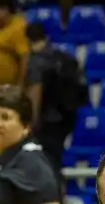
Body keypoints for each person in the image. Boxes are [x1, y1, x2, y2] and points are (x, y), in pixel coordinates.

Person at [23, 23, 84, 176]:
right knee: (55, 162)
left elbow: (35, 91)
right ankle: (59, 196)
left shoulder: (36, 61)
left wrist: (32, 121)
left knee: (45, 164)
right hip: (65, 118)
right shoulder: (62, 57)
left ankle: (51, 197)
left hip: (45, 122)